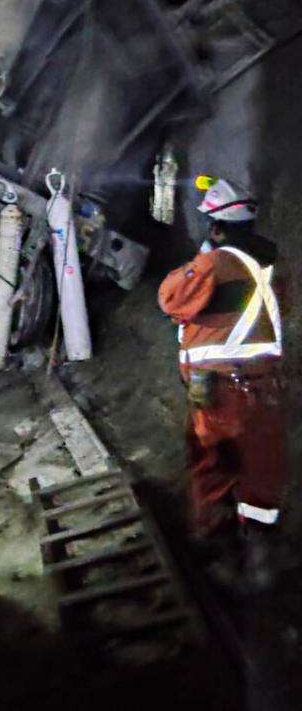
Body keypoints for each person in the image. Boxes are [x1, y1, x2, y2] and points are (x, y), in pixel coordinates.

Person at [158, 177, 284, 546]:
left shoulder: (214, 264)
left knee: (211, 460)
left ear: (215, 226)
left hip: (220, 389)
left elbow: (170, 298)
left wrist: (200, 260)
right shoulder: (273, 261)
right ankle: (261, 544)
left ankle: (216, 541)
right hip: (266, 383)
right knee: (261, 462)